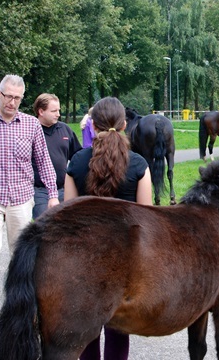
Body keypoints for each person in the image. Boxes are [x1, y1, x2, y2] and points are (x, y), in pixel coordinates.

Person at [0, 74, 59, 335]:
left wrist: (52, 194)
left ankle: (25, 306)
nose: (13, 102)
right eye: (9, 96)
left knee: (23, 256)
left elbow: (43, 163)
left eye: (18, 98)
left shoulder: (31, 125)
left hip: (21, 199)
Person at [65, 97, 152, 360]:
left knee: (87, 331)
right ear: (125, 124)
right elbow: (146, 219)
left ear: (92, 124)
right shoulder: (138, 165)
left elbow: (68, 216)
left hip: (84, 260)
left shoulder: (77, 162)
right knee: (118, 331)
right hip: (124, 261)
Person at [31, 93, 82, 218]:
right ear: (41, 111)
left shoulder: (65, 129)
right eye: (54, 111)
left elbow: (77, 157)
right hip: (39, 191)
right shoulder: (30, 131)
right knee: (45, 226)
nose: (58, 114)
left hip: (64, 189)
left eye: (58, 110)